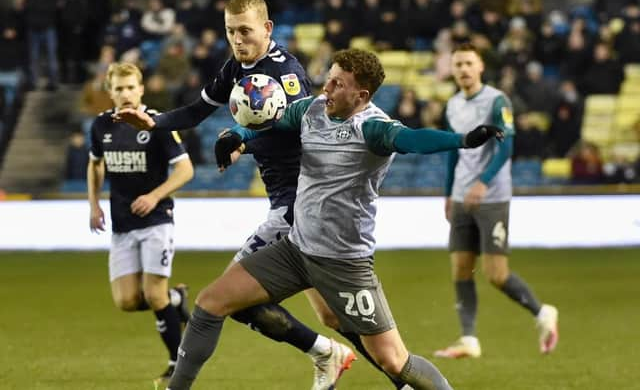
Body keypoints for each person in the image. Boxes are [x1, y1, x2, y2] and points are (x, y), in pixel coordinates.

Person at [166, 48, 503, 390]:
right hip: (295, 251)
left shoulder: (372, 128)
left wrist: (462, 140)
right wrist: (238, 136)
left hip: (343, 264)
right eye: (328, 78)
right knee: (211, 302)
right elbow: (271, 122)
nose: (326, 88)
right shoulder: (311, 109)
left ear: (361, 95)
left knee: (394, 360)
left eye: (337, 84)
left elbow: (414, 139)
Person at [114, 0, 381, 390]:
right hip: (286, 202)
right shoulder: (236, 67)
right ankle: (364, 364)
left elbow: (292, 133)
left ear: (267, 28)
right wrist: (155, 123)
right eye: (230, 32)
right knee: (331, 316)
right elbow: (196, 111)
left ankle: (327, 354)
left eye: (245, 31)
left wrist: (243, 142)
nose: (237, 40)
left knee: (224, 299)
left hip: (295, 205)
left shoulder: (287, 74)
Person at [434, 43, 559, 359]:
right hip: (462, 196)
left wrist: (483, 181)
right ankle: (468, 339)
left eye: (468, 63)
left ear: (480, 68)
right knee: (461, 269)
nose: (462, 69)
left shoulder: (496, 100)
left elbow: (505, 146)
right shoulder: (451, 105)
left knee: (496, 275)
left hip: (492, 198)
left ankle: (543, 312)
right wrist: (449, 192)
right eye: (458, 63)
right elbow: (452, 150)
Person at [87, 62, 194, 384]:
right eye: (119, 88)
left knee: (153, 295)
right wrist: (93, 204)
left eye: (131, 87)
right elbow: (95, 165)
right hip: (122, 224)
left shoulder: (156, 124)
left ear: (141, 89)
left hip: (156, 220)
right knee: (127, 301)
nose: (126, 93)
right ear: (110, 93)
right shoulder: (100, 126)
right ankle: (177, 301)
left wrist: (154, 196)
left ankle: (177, 363)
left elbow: (185, 170)